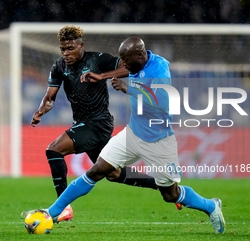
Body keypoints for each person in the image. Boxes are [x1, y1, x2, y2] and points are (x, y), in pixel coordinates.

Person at [40, 36, 226, 234]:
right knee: (97, 170)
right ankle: (52, 213)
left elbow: (163, 101)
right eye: (123, 60)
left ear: (140, 55)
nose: (125, 65)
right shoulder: (135, 63)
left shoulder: (159, 68)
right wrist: (102, 76)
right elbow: (128, 71)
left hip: (159, 140)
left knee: (170, 195)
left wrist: (128, 89)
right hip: (132, 134)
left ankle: (211, 206)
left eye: (127, 60)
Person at [28, 26, 159, 222]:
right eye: (63, 49)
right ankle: (163, 184)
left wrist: (102, 76)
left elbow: (129, 67)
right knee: (113, 174)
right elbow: (49, 97)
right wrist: (41, 110)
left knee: (54, 150)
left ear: (81, 45)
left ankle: (63, 208)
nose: (66, 53)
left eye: (70, 48)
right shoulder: (59, 67)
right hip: (85, 124)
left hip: (98, 123)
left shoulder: (98, 59)